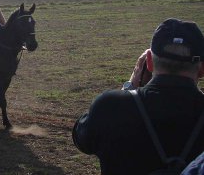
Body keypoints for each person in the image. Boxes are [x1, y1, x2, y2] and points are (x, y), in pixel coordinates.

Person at [73, 18, 204, 175]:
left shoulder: (110, 106)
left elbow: (82, 140)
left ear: (148, 62)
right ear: (202, 70)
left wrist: (129, 87)